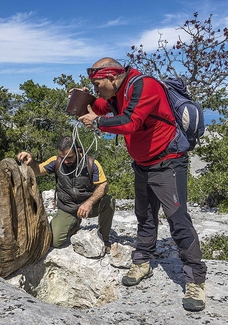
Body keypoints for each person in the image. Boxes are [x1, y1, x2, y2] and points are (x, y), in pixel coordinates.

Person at [78, 57, 207, 312]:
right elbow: (103, 106)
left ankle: (196, 280)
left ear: (112, 78)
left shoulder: (144, 86)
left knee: (178, 219)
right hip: (144, 165)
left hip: (167, 163)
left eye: (96, 84)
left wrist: (98, 122)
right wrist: (88, 100)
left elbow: (129, 122)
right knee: (145, 215)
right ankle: (142, 262)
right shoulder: (118, 91)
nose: (95, 89)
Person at [17, 136, 115, 253]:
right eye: (63, 157)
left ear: (79, 151)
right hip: (67, 207)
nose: (66, 161)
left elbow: (104, 185)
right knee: (55, 241)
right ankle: (73, 224)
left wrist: (89, 203)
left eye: (69, 157)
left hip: (88, 207)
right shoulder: (56, 161)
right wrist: (31, 161)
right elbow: (38, 170)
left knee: (109, 201)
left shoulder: (91, 163)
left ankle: (104, 238)